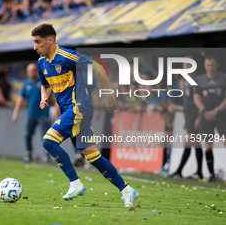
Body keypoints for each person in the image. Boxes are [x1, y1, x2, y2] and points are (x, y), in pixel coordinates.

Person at [31, 23, 139, 208]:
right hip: (69, 110)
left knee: (48, 141)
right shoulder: (42, 63)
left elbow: (96, 67)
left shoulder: (66, 56)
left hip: (79, 108)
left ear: (50, 40)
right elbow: (46, 84)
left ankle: (75, 183)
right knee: (92, 156)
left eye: (38, 42)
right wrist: (44, 98)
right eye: (34, 43)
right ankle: (128, 190)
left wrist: (109, 93)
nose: (35, 47)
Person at [193, 56, 226, 182]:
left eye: (212, 65)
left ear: (216, 65)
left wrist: (216, 110)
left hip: (222, 114)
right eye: (208, 65)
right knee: (208, 144)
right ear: (205, 65)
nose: (210, 68)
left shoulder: (223, 78)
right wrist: (205, 111)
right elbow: (196, 98)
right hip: (206, 115)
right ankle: (211, 174)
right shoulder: (199, 80)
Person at [170, 60, 203, 179]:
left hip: (194, 117)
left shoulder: (197, 82)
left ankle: (180, 171)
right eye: (184, 66)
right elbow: (188, 104)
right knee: (194, 143)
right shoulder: (187, 83)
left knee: (190, 142)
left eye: (188, 66)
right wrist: (186, 119)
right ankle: (198, 172)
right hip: (189, 117)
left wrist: (199, 118)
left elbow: (199, 102)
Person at [11, 63, 51, 163]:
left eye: (33, 70)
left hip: (43, 114)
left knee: (45, 135)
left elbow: (53, 95)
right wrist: (15, 113)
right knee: (27, 134)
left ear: (37, 71)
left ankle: (47, 155)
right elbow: (20, 99)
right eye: (29, 71)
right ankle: (28, 154)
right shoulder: (26, 84)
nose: (31, 72)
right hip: (31, 114)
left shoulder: (43, 82)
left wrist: (58, 108)